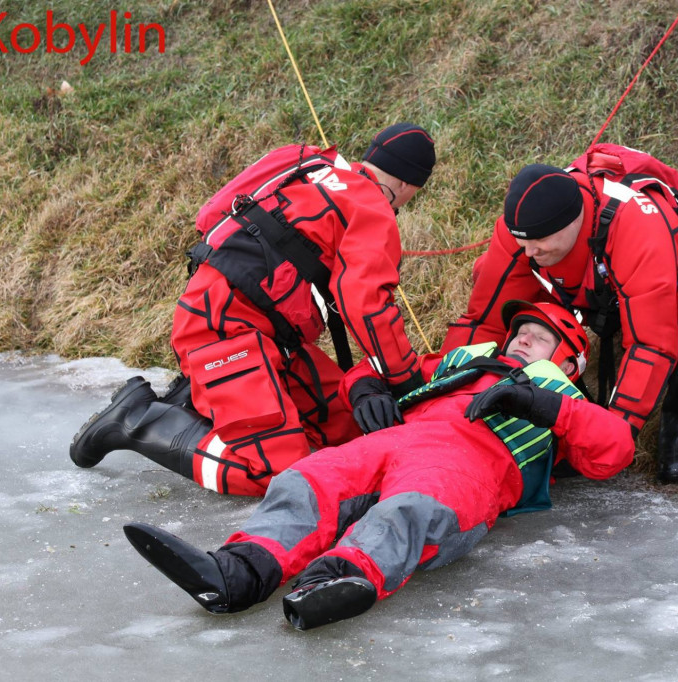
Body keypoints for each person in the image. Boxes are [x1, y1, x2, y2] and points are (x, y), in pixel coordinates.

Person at [122, 300, 635, 630]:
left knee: (412, 509)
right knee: (309, 479)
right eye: (520, 330)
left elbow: (614, 451)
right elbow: (388, 368)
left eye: (540, 337)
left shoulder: (565, 396)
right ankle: (237, 572)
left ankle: (335, 581)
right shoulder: (463, 362)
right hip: (394, 440)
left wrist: (546, 406)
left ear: (570, 362)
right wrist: (364, 386)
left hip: (471, 462)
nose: (523, 338)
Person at [70, 123, 437, 496]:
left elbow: (210, 216)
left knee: (345, 429)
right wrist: (404, 379)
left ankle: (200, 401)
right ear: (409, 187)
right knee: (281, 477)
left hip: (255, 330)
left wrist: (364, 385)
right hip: (227, 332)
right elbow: (366, 303)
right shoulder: (372, 207)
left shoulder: (306, 162)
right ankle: (138, 421)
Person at [442, 152, 678, 483]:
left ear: (572, 222)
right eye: (521, 241)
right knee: (487, 271)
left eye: (538, 243)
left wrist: (613, 433)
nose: (528, 252)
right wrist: (443, 399)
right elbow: (484, 320)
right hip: (593, 283)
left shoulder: (636, 223)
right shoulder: (527, 227)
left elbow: (650, 344)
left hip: (660, 280)